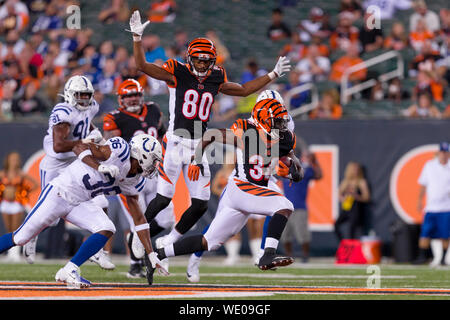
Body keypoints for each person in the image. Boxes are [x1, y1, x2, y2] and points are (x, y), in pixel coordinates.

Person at [127, 10, 291, 270]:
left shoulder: (216, 77)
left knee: (201, 204)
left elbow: (245, 90)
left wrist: (272, 75)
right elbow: (142, 67)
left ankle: (169, 241)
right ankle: (138, 233)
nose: (203, 66)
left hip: (199, 144)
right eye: (199, 61)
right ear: (189, 58)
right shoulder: (177, 72)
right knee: (163, 199)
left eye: (207, 61)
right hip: (175, 142)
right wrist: (137, 38)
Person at [155, 99, 303, 281]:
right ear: (262, 119)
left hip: (253, 189)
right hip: (242, 187)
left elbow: (294, 165)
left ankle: (158, 253)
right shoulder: (245, 130)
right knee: (284, 205)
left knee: (208, 242)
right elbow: (210, 135)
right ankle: (267, 254)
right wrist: (196, 159)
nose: (282, 126)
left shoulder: (286, 138)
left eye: (283, 122)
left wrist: (294, 172)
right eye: (277, 122)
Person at [0, 133, 168, 287]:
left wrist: (151, 254)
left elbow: (139, 218)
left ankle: (69, 270)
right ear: (141, 154)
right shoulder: (119, 151)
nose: (155, 165)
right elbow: (79, 147)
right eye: (153, 159)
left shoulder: (136, 180)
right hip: (59, 194)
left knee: (107, 227)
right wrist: (99, 167)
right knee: (20, 238)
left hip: (80, 202)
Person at [22, 75, 113, 270]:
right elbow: (59, 145)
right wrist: (87, 141)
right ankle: (30, 235)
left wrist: (94, 132)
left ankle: (97, 249)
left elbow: (84, 122)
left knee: (101, 201)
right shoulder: (62, 111)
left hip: (75, 161)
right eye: (79, 95)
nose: (84, 99)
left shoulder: (90, 106)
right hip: (55, 163)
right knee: (50, 217)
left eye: (87, 95)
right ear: (70, 95)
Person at [102, 78, 174, 278]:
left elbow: (162, 134)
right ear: (120, 99)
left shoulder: (153, 109)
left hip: (153, 171)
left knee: (167, 219)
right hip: (131, 176)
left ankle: (143, 243)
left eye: (136, 94)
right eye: (128, 96)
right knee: (138, 219)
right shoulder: (114, 117)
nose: (133, 99)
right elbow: (111, 146)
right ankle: (135, 265)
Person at [281, 151, 322, 263]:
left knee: (302, 234)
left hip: (299, 206)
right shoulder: (283, 167)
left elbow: (319, 175)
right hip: (285, 207)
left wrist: (314, 162)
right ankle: (288, 256)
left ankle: (305, 256)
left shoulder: (304, 169)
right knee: (285, 234)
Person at [414, 142, 450, 266]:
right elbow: (423, 184)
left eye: (446, 152)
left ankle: (443, 259)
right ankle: (421, 257)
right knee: (425, 233)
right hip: (431, 207)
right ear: (438, 152)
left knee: (445, 235)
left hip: (446, 207)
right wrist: (419, 200)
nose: (444, 154)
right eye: (442, 152)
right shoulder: (429, 165)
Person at [0, 151, 38, 261]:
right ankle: (9, 253)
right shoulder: (3, 173)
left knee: (16, 228)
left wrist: (23, 193)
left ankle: (15, 253)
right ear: (8, 161)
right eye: (12, 159)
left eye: (16, 159)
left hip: (17, 203)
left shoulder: (21, 174)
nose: (14, 161)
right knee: (8, 228)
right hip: (5, 203)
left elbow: (35, 184)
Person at [334, 161, 370, 241]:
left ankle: (351, 248)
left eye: (357, 170)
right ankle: (343, 243)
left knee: (351, 230)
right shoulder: (346, 181)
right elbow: (339, 193)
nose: (356, 171)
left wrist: (356, 196)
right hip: (346, 207)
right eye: (354, 169)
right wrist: (343, 198)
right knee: (336, 225)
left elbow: (367, 197)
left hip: (356, 208)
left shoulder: (361, 182)